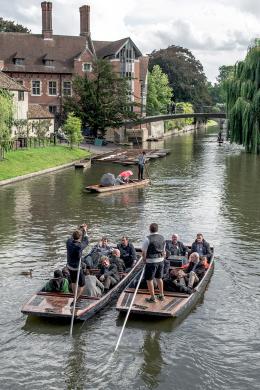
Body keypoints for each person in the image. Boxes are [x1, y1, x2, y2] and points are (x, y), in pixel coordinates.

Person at [142, 223, 165, 303]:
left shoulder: (147, 239)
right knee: (159, 278)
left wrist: (144, 260)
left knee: (149, 280)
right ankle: (161, 295)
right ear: (157, 229)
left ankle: (152, 298)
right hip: (161, 260)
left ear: (150, 229)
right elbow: (164, 251)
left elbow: (144, 252)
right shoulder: (162, 238)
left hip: (151, 262)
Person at [66, 224, 89, 301]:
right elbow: (86, 241)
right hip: (77, 268)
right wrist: (85, 231)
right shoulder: (79, 246)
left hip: (69, 266)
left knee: (73, 281)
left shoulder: (68, 242)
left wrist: (79, 229)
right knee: (82, 285)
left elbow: (72, 236)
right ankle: (76, 298)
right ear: (79, 237)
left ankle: (74, 295)